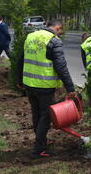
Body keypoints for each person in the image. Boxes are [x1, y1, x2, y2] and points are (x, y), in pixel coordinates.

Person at [17, 19, 77, 158]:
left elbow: (21, 59)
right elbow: (61, 66)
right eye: (61, 30)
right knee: (46, 116)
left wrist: (19, 80)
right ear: (57, 27)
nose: (61, 33)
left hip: (29, 84)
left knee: (36, 113)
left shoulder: (30, 37)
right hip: (44, 85)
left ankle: (41, 140)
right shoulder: (54, 41)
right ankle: (38, 150)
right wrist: (70, 88)